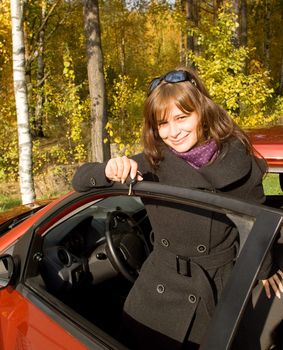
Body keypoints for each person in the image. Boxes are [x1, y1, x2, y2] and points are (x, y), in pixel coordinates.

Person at [72, 67, 283, 349]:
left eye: (182, 118)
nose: (173, 132)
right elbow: (80, 180)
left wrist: (265, 269)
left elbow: (256, 220)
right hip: (158, 293)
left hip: (215, 291)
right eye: (163, 124)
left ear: (202, 113)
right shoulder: (153, 163)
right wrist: (109, 168)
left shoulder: (238, 162)